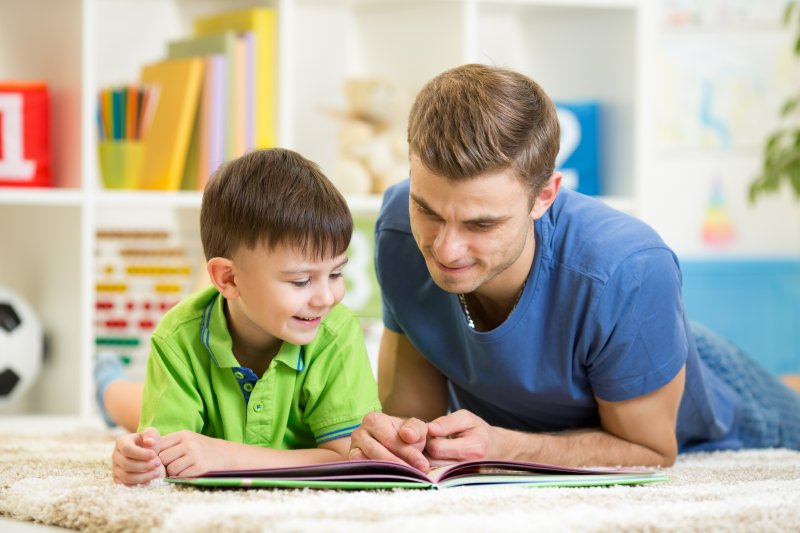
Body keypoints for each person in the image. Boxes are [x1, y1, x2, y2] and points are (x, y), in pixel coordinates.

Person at [348, 63, 800, 471]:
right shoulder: (397, 231)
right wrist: (396, 439)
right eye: (427, 209)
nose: (445, 249)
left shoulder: (631, 267)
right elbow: (415, 422)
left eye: (481, 223)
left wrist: (505, 447)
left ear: (545, 196)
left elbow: (650, 451)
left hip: (718, 394)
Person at [108, 148, 381, 486]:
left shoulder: (337, 333)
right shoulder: (177, 335)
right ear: (229, 279)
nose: (327, 297)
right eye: (300, 281)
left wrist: (227, 457)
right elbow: (167, 455)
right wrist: (139, 458)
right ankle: (106, 381)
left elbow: (349, 460)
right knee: (121, 400)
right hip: (183, 391)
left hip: (222, 434)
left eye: (337, 274)